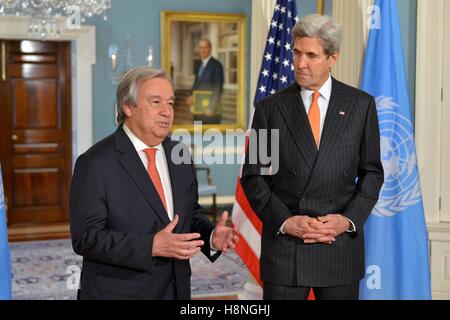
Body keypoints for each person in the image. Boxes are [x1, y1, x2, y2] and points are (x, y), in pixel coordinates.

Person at [240, 14, 384, 300]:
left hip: (338, 245)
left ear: (332, 58)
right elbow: (253, 176)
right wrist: (286, 222)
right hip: (286, 248)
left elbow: (372, 173)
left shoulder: (360, 105)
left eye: (311, 55)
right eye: (296, 52)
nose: (300, 63)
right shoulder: (269, 109)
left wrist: (347, 220)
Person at [69, 66, 238, 300]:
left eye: (170, 103)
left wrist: (211, 237)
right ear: (127, 107)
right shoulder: (95, 163)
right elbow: (86, 238)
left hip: (176, 291)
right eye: (155, 102)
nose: (166, 112)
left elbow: (188, 216)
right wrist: (151, 246)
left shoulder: (179, 154)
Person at [186, 39, 224, 124]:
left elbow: (218, 88)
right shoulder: (198, 64)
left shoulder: (217, 65)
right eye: (200, 47)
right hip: (198, 109)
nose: (202, 50)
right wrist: (191, 95)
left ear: (210, 48)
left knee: (210, 137)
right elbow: (196, 83)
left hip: (211, 112)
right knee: (198, 135)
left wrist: (212, 108)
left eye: (205, 47)